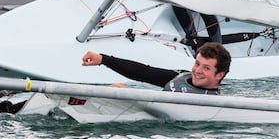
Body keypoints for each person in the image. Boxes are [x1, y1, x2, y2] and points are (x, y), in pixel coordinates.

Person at [81, 42, 231, 94]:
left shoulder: (213, 103)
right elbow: (144, 72)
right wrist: (103, 59)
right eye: (197, 64)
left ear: (219, 75)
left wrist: (130, 96)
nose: (197, 71)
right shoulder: (182, 77)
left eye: (206, 68)